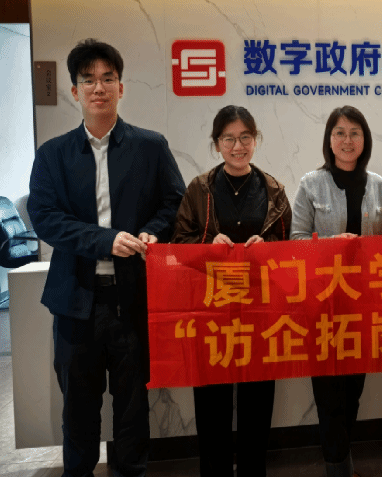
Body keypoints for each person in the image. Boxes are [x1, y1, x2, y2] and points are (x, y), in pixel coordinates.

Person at [27, 39, 185, 477]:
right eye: (88, 80)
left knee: (133, 408)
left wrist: (152, 232)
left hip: (132, 299)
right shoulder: (54, 154)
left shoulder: (150, 146)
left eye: (108, 79)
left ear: (121, 87)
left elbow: (174, 203)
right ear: (74, 91)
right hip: (76, 300)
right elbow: (45, 218)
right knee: (79, 411)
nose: (99, 87)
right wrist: (105, 240)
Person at [172, 105, 292, 477]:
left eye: (245, 137)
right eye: (228, 139)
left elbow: (289, 249)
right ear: (216, 144)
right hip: (212, 310)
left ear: (255, 140)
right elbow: (179, 242)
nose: (237, 146)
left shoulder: (274, 189)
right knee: (212, 405)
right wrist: (208, 244)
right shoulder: (200, 188)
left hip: (260, 312)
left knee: (258, 402)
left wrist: (267, 246)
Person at [290, 105, 382, 477]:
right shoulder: (310, 184)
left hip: (362, 305)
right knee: (329, 394)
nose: (347, 140)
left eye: (354, 133)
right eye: (339, 133)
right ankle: (337, 467)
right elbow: (295, 242)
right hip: (323, 305)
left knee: (353, 392)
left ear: (365, 139)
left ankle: (342, 459)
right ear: (329, 139)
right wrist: (333, 245)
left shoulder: (378, 184)